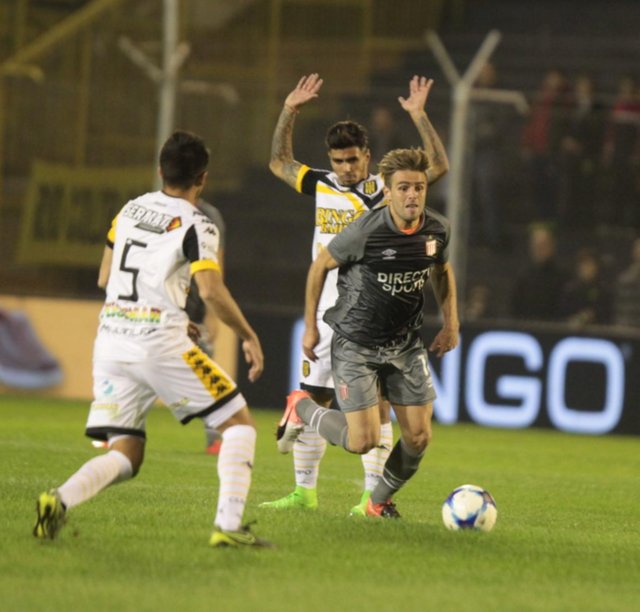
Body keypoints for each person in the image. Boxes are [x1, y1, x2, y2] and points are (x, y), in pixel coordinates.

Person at [33, 131, 271, 548]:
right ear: (203, 178)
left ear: (161, 170)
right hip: (158, 342)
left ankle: (59, 501)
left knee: (127, 452)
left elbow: (105, 277)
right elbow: (211, 291)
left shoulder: (129, 210)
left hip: (111, 340)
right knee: (239, 426)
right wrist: (247, 334)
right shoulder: (200, 223)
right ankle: (229, 527)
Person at [265, 73, 449, 515]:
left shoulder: (382, 193)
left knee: (379, 406)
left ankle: (371, 497)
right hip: (325, 309)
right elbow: (278, 162)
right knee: (317, 396)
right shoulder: (322, 183)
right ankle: (304, 492)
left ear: (369, 157)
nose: (347, 168)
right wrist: (289, 109)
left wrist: (420, 117)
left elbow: (436, 167)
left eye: (353, 159)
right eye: (339, 160)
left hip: (367, 313)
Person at [184, 198, 226, 455]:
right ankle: (117, 430)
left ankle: (214, 437)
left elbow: (216, 269)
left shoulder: (209, 215)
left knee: (206, 373)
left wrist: (212, 314)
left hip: (193, 312)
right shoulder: (150, 207)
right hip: (162, 311)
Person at [510, 224, 567, 321]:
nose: (539, 249)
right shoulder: (524, 278)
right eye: (536, 245)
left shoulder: (563, 277)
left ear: (552, 246)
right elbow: (514, 309)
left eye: (543, 245)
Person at [560, 248, 612, 327]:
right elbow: (563, 314)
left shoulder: (604, 290)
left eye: (590, 264)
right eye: (583, 264)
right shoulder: (570, 290)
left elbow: (606, 314)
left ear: (596, 267)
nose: (586, 268)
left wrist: (591, 316)